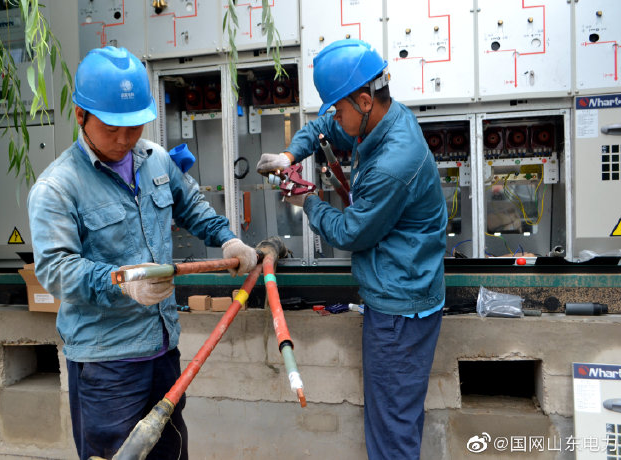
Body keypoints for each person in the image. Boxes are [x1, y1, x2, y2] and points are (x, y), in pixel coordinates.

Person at [28, 46, 257, 460]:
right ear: (80, 115)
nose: (124, 140)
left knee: (170, 452)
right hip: (107, 364)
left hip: (163, 350)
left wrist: (228, 239)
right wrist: (122, 282)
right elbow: (57, 270)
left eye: (133, 127)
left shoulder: (155, 160)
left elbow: (192, 206)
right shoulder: (58, 187)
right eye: (111, 129)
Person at [256, 39, 447, 459]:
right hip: (401, 295)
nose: (336, 118)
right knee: (395, 418)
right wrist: (289, 154)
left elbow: (350, 232)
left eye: (339, 109)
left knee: (391, 431)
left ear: (363, 101)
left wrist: (307, 201)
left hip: (400, 313)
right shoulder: (378, 118)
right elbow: (323, 127)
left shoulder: (395, 162)